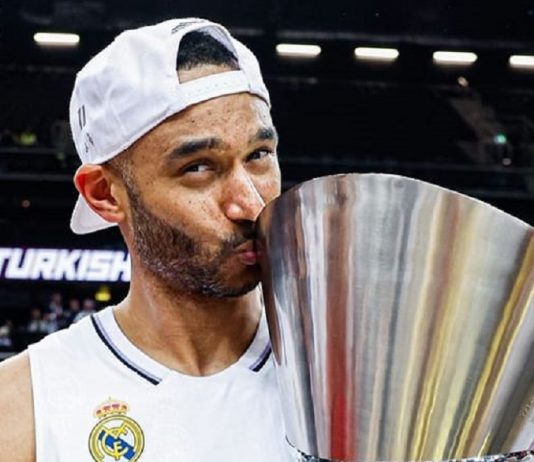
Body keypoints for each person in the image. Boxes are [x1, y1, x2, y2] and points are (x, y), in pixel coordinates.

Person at [0, 18, 291, 461]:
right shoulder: (22, 410)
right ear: (104, 194)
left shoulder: (358, 375)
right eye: (198, 167)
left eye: (259, 156)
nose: (251, 204)